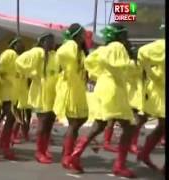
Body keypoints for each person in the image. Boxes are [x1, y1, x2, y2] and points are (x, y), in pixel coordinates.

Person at [66, 23, 136, 178]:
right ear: (119, 35)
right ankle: (119, 165)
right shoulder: (118, 46)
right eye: (124, 34)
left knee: (98, 125)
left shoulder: (102, 49)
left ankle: (74, 156)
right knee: (129, 127)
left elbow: (89, 62)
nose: (126, 37)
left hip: (103, 87)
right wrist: (133, 64)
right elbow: (123, 67)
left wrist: (100, 74)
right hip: (114, 89)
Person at [16, 33, 59, 164]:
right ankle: (39, 152)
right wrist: (32, 73)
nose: (53, 43)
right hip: (41, 93)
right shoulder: (37, 52)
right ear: (43, 41)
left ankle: (45, 149)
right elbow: (20, 61)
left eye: (53, 40)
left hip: (52, 94)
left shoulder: (53, 55)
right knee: (42, 122)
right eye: (50, 41)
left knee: (49, 122)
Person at [53, 23, 89, 169]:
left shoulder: (80, 50)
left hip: (78, 88)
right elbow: (61, 53)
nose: (84, 37)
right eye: (82, 34)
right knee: (74, 123)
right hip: (69, 88)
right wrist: (68, 69)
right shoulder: (71, 46)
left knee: (81, 119)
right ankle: (67, 156)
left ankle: (66, 150)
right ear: (76, 35)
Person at [137, 36, 165, 172]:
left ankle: (144, 154)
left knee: (162, 128)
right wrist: (151, 73)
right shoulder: (162, 45)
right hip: (161, 93)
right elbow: (142, 52)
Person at [0, 37, 26, 160]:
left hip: (12, 93)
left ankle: (2, 143)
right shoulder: (10, 53)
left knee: (8, 119)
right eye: (20, 43)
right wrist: (6, 79)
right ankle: (4, 146)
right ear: (14, 45)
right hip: (6, 92)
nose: (23, 46)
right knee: (10, 119)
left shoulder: (18, 57)